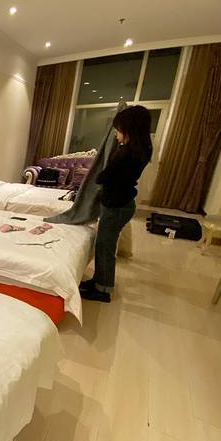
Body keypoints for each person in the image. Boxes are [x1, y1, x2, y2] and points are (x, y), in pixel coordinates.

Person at [79, 105, 152, 302]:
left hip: (116, 207)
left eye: (119, 130)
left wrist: (98, 174)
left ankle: (103, 290)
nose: (116, 134)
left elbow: (104, 177)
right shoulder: (138, 150)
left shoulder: (128, 154)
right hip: (121, 204)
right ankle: (98, 281)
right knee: (103, 245)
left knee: (105, 248)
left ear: (130, 129)